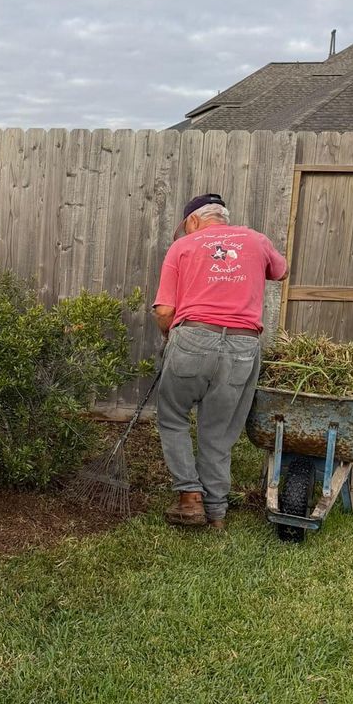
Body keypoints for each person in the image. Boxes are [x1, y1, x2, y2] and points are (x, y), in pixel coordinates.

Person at [152, 193, 288, 530]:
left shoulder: (182, 247)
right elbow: (282, 272)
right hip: (243, 345)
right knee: (219, 432)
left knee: (172, 417)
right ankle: (216, 515)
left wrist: (172, 338)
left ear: (194, 221)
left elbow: (165, 311)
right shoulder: (257, 240)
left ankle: (189, 497)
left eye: (185, 228)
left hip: (193, 337)